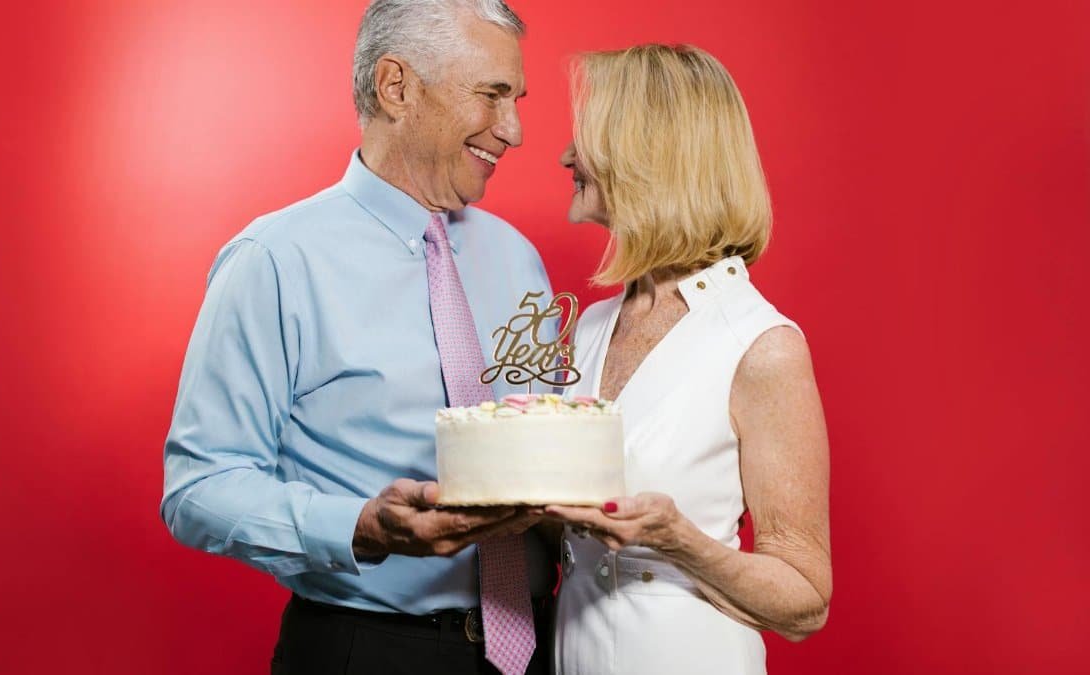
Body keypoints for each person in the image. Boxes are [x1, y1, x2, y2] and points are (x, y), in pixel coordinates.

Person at [160, 2, 556, 673]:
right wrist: (358, 525)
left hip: (539, 643)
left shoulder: (519, 258)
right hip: (368, 649)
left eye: (516, 99)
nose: (514, 130)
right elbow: (198, 485)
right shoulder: (276, 259)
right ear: (396, 86)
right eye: (492, 96)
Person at [544, 44, 832, 674]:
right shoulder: (592, 325)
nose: (567, 155)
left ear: (653, 156)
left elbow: (807, 600)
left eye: (589, 136)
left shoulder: (761, 345)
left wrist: (679, 541)